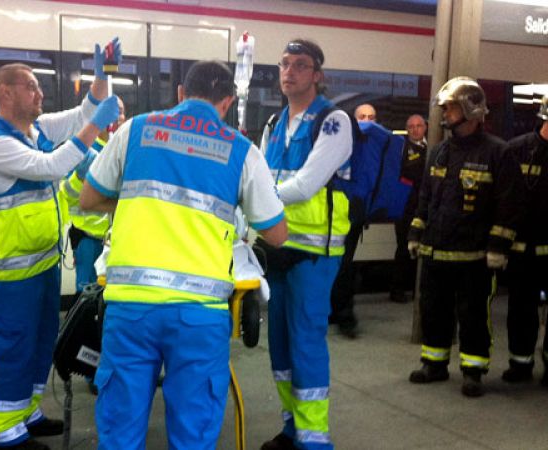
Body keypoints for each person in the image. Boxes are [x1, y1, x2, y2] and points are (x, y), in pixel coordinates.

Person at [80, 59, 288, 450]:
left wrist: (133, 199)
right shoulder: (242, 151)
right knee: (193, 435)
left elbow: (89, 197)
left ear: (180, 93)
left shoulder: (135, 130)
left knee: (119, 431)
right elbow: (276, 234)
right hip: (198, 314)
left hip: (130, 308)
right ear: (226, 103)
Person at [0, 38, 122, 450]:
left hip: (41, 260)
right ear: (5, 93)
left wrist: (102, 76)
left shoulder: (32, 128)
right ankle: (5, 431)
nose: (39, 94)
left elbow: (82, 114)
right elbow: (53, 165)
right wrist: (95, 128)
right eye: (31, 87)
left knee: (40, 339)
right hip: (13, 268)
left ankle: (27, 413)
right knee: (12, 344)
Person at [259, 39, 352, 450]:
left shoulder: (333, 121)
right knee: (279, 344)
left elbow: (305, 185)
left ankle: (315, 440)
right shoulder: (273, 123)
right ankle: (292, 428)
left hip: (314, 253)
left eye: (300, 65)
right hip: (276, 246)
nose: (289, 71)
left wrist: (259, 196)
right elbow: (258, 175)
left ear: (317, 75)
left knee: (306, 342)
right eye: (284, 64)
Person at [407, 76, 523, 397]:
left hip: (475, 257)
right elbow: (426, 199)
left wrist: (498, 246)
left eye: (452, 108)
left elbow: (508, 205)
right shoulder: (439, 152)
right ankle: (434, 363)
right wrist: (417, 233)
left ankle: (473, 370)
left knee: (473, 314)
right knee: (433, 309)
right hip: (435, 251)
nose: (446, 113)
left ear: (471, 109)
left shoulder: (498, 153)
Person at [501, 94, 548, 385]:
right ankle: (520, 363)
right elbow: (502, 200)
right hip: (522, 249)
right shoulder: (516, 150)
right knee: (520, 309)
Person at [60, 96, 125, 301]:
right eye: (113, 111)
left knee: (112, 297)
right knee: (87, 297)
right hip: (89, 239)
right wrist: (81, 177)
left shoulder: (124, 148)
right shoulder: (84, 151)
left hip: (118, 241)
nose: (118, 116)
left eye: (121, 111)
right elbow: (67, 195)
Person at [328, 103, 379, 338]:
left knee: (343, 265)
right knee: (339, 264)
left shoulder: (364, 145)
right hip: (341, 209)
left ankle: (343, 314)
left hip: (347, 210)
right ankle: (338, 312)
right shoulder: (360, 144)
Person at [389, 114, 428, 303]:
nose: (415, 129)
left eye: (418, 125)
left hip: (427, 207)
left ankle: (418, 289)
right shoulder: (400, 148)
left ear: (425, 127)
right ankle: (397, 290)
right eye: (411, 126)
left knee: (423, 250)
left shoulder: (434, 147)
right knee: (404, 248)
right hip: (405, 206)